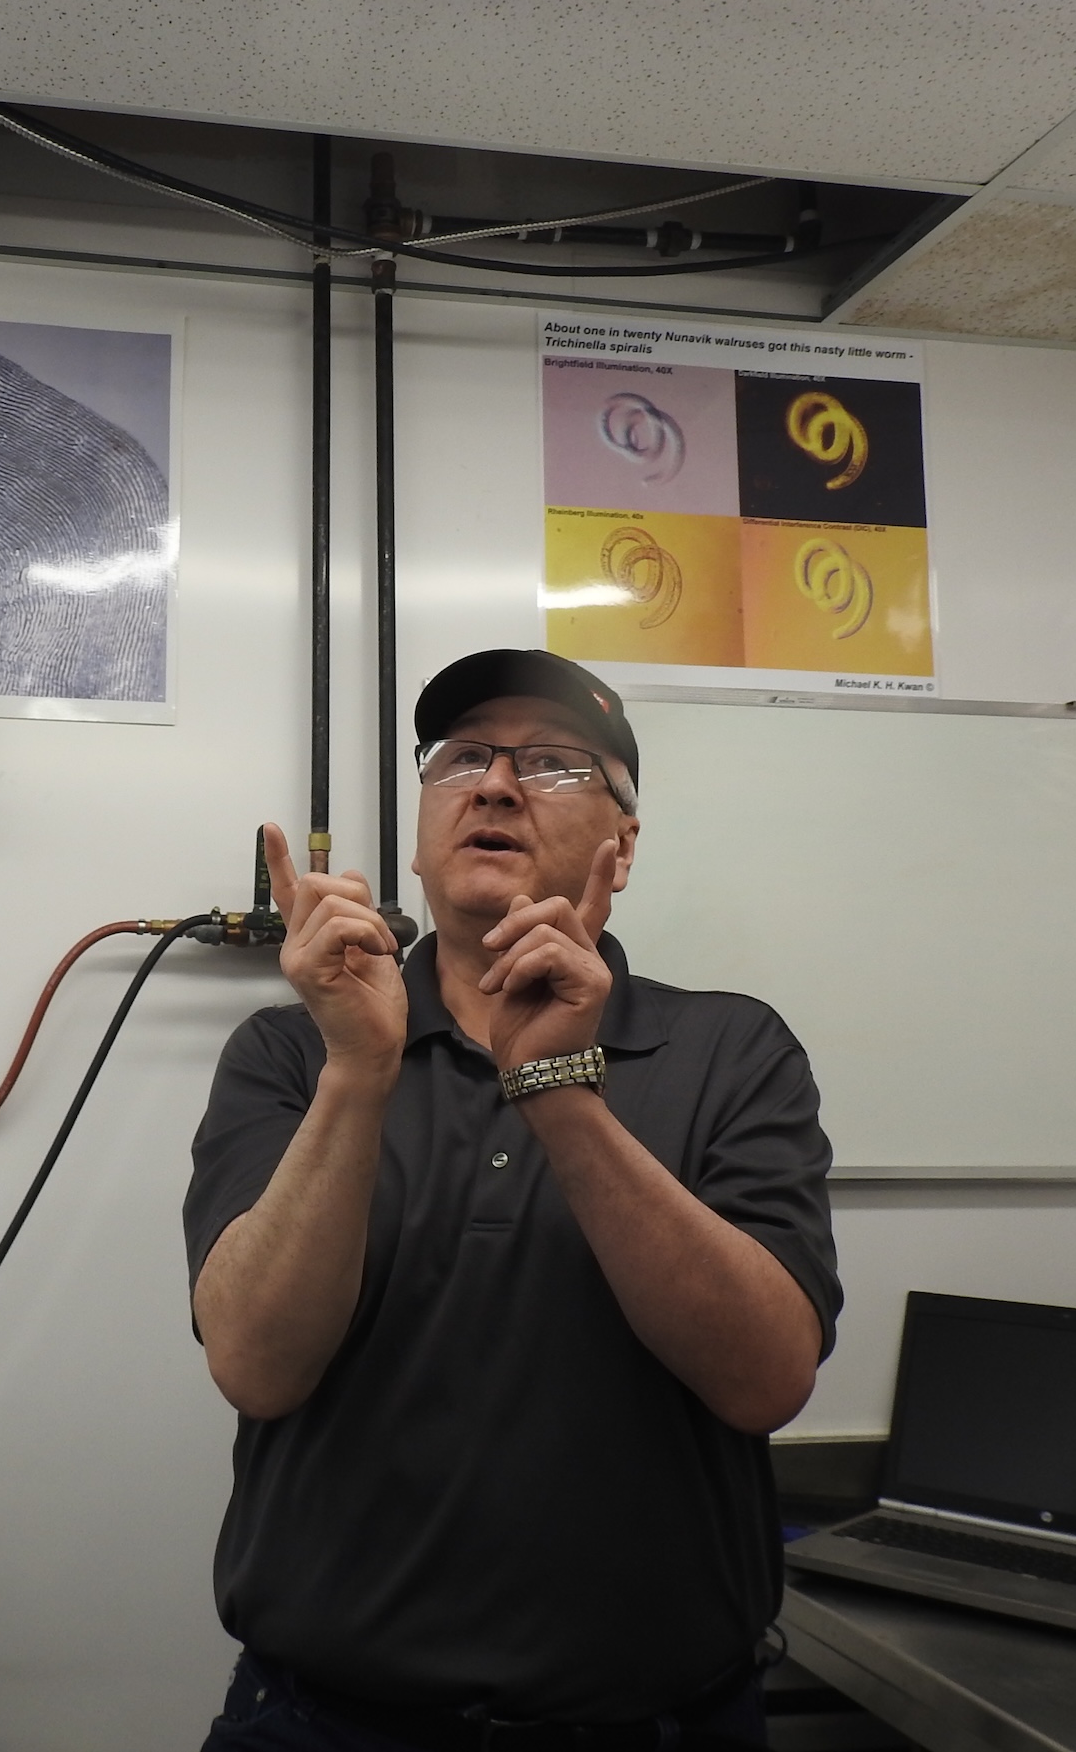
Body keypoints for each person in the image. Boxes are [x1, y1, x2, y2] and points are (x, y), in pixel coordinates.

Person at [184, 648, 841, 1752]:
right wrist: (357, 1070)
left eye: (553, 763)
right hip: (320, 1723)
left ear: (622, 849)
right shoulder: (293, 1054)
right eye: (462, 758)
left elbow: (764, 1378)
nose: (494, 783)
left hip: (654, 1725)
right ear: (421, 835)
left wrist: (562, 1093)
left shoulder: (732, 1048)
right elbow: (255, 1362)